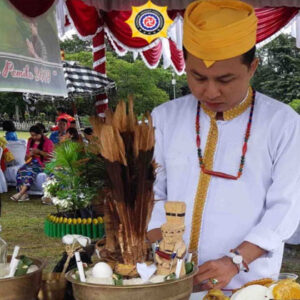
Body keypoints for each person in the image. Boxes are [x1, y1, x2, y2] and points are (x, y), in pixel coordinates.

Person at [147, 0, 300, 293]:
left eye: (225, 79)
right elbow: (152, 191)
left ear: (252, 67)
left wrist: (235, 261)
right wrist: (161, 250)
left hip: (248, 283)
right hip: (170, 279)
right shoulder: (164, 118)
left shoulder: (284, 123)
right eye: (197, 77)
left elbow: (286, 206)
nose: (210, 91)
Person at [10, 125, 53, 202]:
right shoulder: (30, 141)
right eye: (32, 135)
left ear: (41, 133)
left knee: (29, 172)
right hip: (31, 162)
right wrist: (29, 155)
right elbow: (26, 159)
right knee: (20, 170)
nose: (34, 137)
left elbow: (50, 156)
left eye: (35, 135)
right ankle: (25, 194)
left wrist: (39, 152)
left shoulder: (48, 142)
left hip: (43, 164)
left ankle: (20, 193)